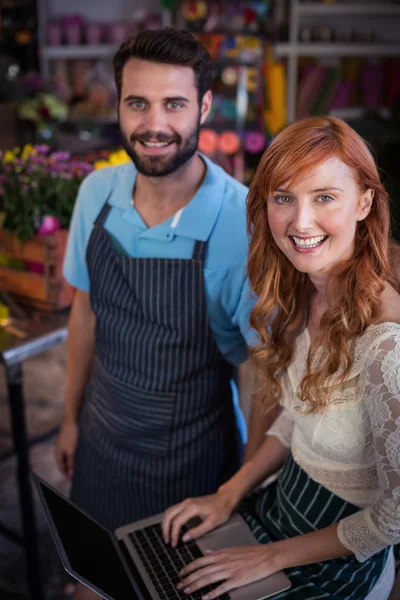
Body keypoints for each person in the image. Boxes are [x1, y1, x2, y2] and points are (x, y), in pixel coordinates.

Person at [55, 27, 273, 599]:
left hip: (192, 463)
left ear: (204, 105)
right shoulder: (96, 194)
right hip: (102, 443)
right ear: (119, 106)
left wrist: (239, 488)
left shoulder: (240, 224)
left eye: (174, 103)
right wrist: (72, 417)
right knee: (92, 586)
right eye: (138, 103)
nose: (154, 125)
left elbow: (261, 368)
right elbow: (85, 311)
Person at [162, 116, 400, 600]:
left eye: (324, 197)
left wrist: (270, 557)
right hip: (279, 508)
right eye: (284, 197)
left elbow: (396, 516)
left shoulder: (386, 346)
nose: (300, 222)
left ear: (364, 203)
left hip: (336, 561)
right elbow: (298, 416)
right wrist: (228, 493)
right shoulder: (307, 293)